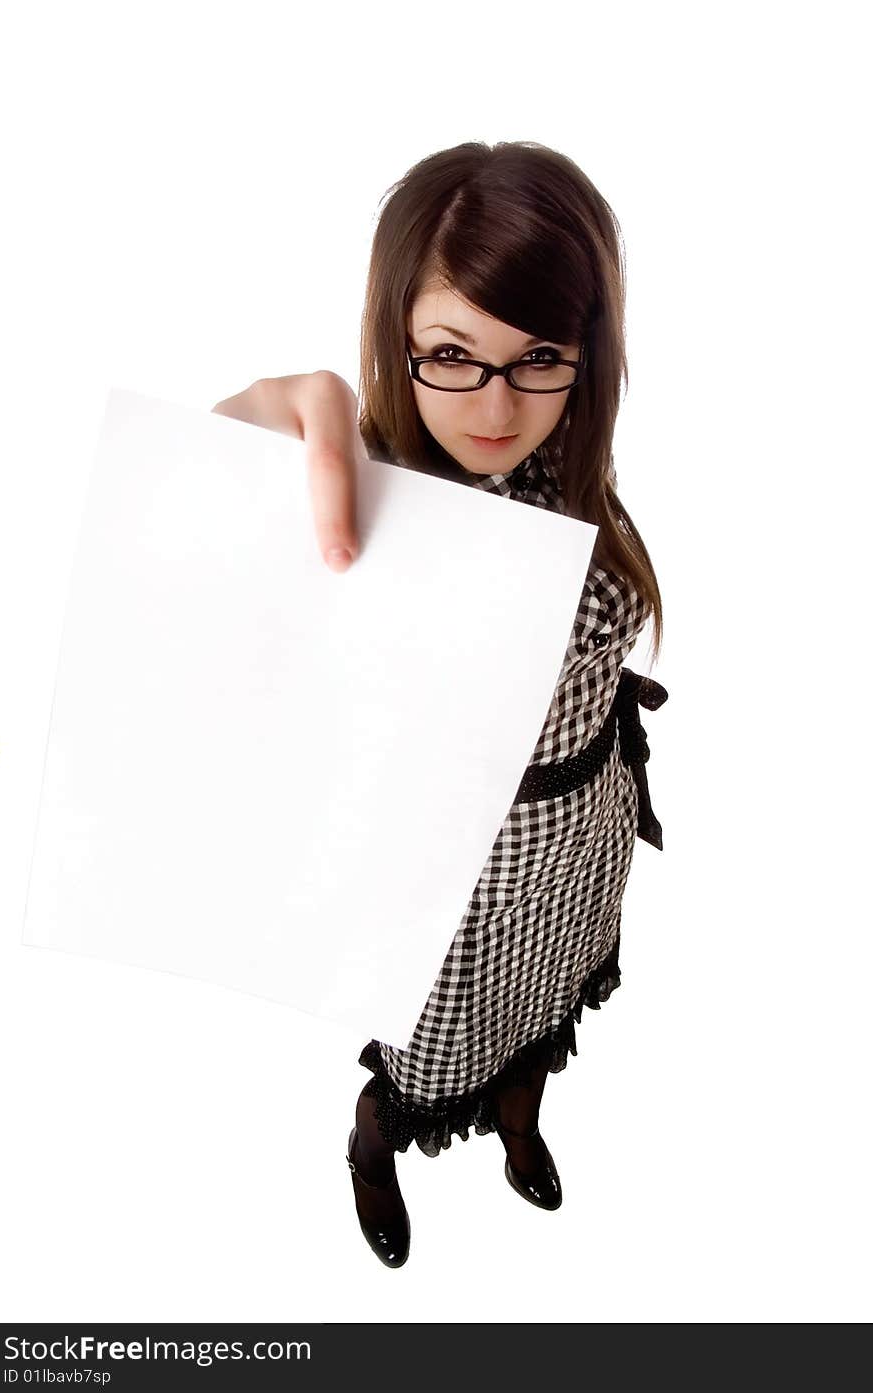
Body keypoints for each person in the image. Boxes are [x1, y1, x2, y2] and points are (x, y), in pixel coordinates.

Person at [212, 140, 668, 1270]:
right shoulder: (383, 493)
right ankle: (373, 1147)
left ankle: (519, 1121)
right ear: (396, 338)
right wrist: (247, 424)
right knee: (427, 1054)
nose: (499, 405)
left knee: (539, 1022)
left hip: (579, 839)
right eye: (453, 355)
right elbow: (213, 515)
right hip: (453, 873)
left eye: (540, 356)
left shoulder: (572, 462)